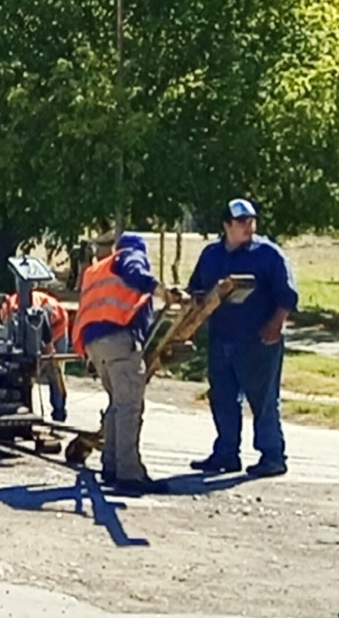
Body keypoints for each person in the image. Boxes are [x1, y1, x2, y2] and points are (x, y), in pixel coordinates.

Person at [186, 198, 298, 478]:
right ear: (227, 225)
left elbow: (287, 296)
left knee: (263, 400)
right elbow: (196, 290)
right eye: (241, 221)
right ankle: (226, 453)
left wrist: (275, 324)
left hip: (259, 341)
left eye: (251, 220)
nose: (249, 226)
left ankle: (272, 456)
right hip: (221, 338)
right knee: (222, 398)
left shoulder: (268, 254)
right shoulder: (211, 255)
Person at [72, 232, 164, 494]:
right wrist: (160, 289)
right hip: (118, 339)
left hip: (93, 343)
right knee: (129, 407)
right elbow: (134, 272)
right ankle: (129, 474)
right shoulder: (130, 256)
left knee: (117, 404)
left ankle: (110, 466)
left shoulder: (98, 268)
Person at [0, 289, 70, 422]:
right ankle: (25, 408)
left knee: (55, 371)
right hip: (35, 332)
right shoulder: (7, 311)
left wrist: (47, 352)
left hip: (57, 325)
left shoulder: (38, 309)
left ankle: (59, 412)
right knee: (26, 373)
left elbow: (46, 337)